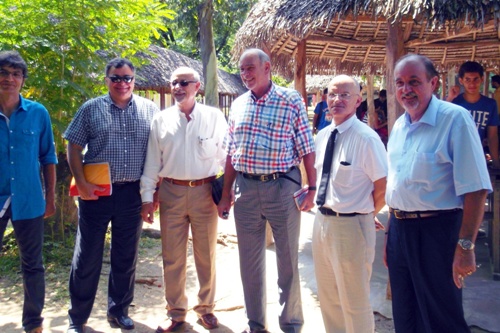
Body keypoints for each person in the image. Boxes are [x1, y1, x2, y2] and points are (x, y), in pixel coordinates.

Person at [385, 54, 491, 333]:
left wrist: (465, 246)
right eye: (400, 83)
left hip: (437, 232)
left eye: (414, 82)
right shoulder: (399, 125)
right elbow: (396, 187)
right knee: (405, 314)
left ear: (433, 83)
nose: (406, 89)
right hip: (399, 230)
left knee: (442, 318)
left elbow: (476, 188)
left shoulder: (455, 119)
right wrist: (389, 237)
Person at [217, 48, 316, 333]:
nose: (245, 74)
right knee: (249, 262)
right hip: (245, 190)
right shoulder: (238, 105)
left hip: (282, 187)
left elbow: (306, 148)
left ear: (267, 67)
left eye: (250, 68)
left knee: (287, 260)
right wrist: (226, 194)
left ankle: (291, 323)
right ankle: (256, 324)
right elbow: (231, 153)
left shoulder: (290, 99)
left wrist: (311, 187)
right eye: (242, 70)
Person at [63, 58, 159, 333]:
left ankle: (119, 311)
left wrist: (151, 196)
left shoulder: (149, 109)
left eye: (127, 78)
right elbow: (73, 146)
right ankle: (77, 318)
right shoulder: (91, 109)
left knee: (125, 256)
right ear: (106, 81)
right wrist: (81, 184)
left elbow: (156, 154)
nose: (122, 83)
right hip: (96, 193)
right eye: (116, 78)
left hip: (132, 194)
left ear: (134, 80)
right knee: (87, 256)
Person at [140, 67, 227, 332]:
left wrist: (229, 193)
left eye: (184, 83)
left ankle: (206, 309)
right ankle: (176, 312)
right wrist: (147, 197)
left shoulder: (214, 117)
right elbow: (153, 162)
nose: (178, 87)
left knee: (206, 255)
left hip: (205, 192)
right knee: (173, 256)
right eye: (174, 83)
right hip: (172, 193)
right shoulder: (161, 120)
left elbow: (227, 155)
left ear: (197, 86)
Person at [313, 75, 387, 333]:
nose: (337, 100)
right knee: (329, 298)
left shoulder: (366, 138)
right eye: (332, 94)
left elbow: (382, 187)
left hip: (351, 227)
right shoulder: (322, 136)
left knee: (354, 301)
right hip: (321, 223)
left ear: (358, 101)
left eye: (345, 95)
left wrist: (366, 214)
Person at [0, 51, 57, 333]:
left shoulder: (38, 113)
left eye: (15, 74)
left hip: (30, 200)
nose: (9, 78)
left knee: (33, 265)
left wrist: (51, 198)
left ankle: (33, 322)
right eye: (4, 72)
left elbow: (49, 157)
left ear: (23, 79)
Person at [447, 61, 500, 168]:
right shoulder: (454, 102)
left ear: (482, 79)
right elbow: (439, 122)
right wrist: (449, 98)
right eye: (467, 80)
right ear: (461, 81)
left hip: (477, 157)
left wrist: (496, 161)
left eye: (476, 79)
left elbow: (492, 135)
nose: (472, 84)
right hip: (453, 157)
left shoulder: (490, 104)